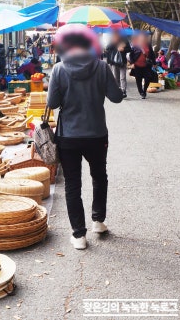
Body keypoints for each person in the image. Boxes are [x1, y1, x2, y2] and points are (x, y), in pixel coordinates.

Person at [47, 24, 123, 250]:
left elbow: (52, 104)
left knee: (72, 184)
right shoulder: (101, 67)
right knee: (99, 176)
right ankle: (98, 221)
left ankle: (79, 235)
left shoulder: (59, 69)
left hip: (68, 136)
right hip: (97, 134)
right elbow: (116, 98)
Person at [128, 33, 157, 99]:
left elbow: (152, 54)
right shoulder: (135, 45)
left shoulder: (148, 45)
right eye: (141, 37)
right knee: (138, 79)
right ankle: (141, 92)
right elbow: (131, 55)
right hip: (137, 65)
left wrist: (154, 63)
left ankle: (144, 90)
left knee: (148, 77)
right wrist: (132, 63)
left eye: (144, 38)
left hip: (146, 65)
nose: (143, 39)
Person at [104, 30, 131, 98]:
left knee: (123, 77)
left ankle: (123, 91)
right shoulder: (112, 40)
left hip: (122, 62)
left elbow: (130, 49)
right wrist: (113, 43)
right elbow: (107, 48)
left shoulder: (124, 40)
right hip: (114, 62)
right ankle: (118, 90)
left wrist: (123, 49)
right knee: (116, 77)